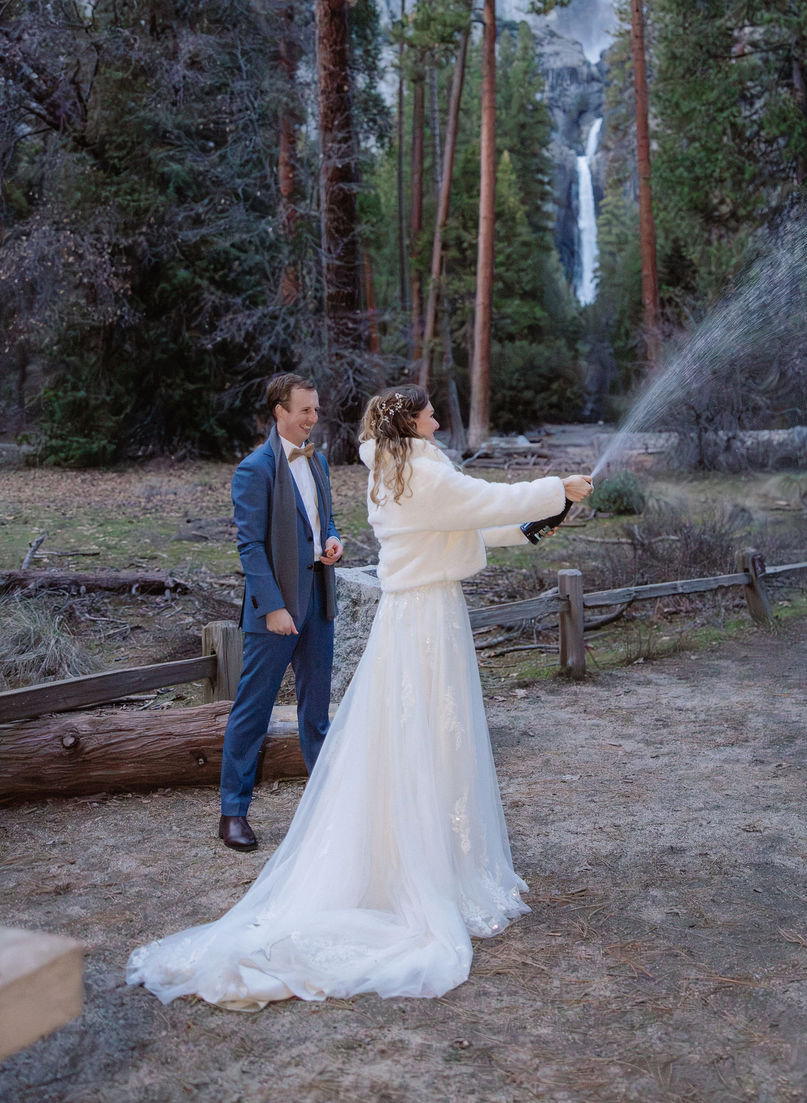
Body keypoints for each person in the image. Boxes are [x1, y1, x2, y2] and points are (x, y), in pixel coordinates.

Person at [126, 384, 592, 1008]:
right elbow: (481, 500)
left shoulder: (401, 469)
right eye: (430, 414)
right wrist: (556, 487)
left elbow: (462, 519)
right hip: (401, 617)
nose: (437, 421)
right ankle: (247, 812)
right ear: (411, 422)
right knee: (327, 717)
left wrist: (536, 523)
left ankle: (422, 844)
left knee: (378, 724)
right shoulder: (410, 473)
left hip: (396, 609)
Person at [217, 373, 343, 851]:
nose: (313, 417)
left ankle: (329, 809)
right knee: (253, 711)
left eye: (316, 409)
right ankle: (233, 813)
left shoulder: (318, 461)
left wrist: (332, 538)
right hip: (275, 608)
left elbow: (324, 519)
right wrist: (272, 607)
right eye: (305, 410)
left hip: (319, 600)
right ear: (280, 411)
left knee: (316, 712)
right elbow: (249, 546)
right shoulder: (255, 469)